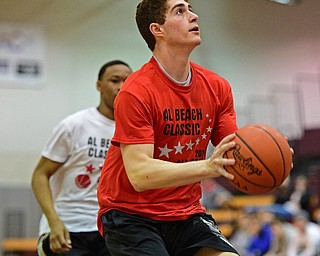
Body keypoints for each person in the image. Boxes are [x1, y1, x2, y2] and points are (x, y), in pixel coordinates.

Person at [97, 1, 241, 255]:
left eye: (190, 8)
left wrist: (269, 156)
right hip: (130, 214)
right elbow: (140, 175)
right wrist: (207, 167)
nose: (194, 16)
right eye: (180, 11)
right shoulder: (135, 91)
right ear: (157, 29)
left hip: (186, 213)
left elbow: (233, 150)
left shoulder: (218, 87)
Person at [31, 60, 132, 255]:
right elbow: (39, 176)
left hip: (111, 227)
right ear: (99, 86)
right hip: (69, 228)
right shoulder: (74, 125)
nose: (121, 86)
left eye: (127, 81)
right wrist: (54, 223)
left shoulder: (136, 130)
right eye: (114, 80)